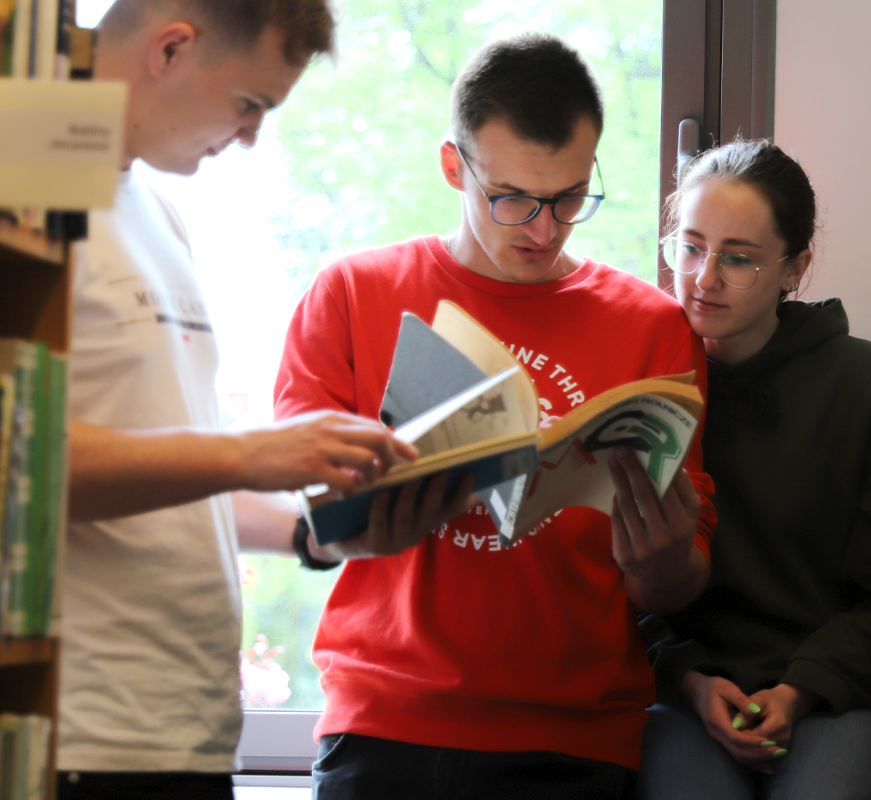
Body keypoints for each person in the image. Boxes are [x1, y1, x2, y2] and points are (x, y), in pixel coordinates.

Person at [273, 33, 717, 800]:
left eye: (570, 196)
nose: (543, 230)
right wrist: (355, 514)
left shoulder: (650, 327)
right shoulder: (351, 295)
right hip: (383, 723)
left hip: (573, 740)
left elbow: (674, 590)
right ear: (455, 167)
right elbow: (297, 514)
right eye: (509, 197)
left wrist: (661, 561)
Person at [58, 2, 432, 799]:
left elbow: (170, 484)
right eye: (251, 104)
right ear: (170, 48)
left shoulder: (155, 214)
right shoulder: (30, 198)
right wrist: (250, 454)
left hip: (183, 733)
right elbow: (14, 461)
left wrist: (319, 535)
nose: (252, 136)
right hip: (84, 731)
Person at [638, 140, 871, 800]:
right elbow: (614, 590)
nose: (704, 277)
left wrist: (797, 692)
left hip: (838, 699)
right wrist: (690, 680)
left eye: (739, 258)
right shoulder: (643, 383)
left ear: (794, 268)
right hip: (686, 694)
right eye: (689, 247)